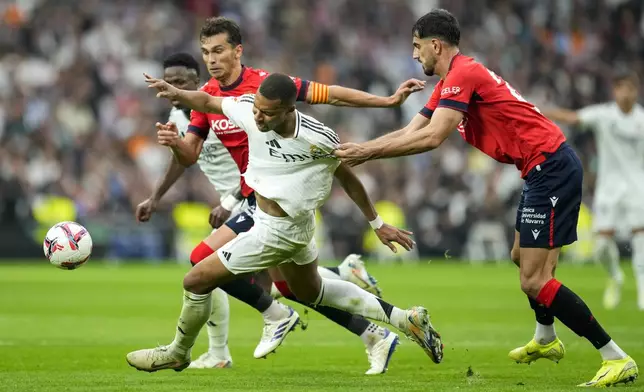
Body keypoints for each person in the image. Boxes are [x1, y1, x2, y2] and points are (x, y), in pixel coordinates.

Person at [333, 9, 638, 387]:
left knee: (533, 280)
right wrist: (363, 149)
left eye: (416, 47)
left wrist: (368, 154)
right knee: (519, 258)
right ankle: (546, 337)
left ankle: (614, 355)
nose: (414, 55)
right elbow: (412, 129)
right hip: (539, 169)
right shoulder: (450, 82)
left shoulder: (463, 74)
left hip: (551, 167)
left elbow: (431, 139)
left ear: (435, 45)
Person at [128, 15, 427, 374]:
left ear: (238, 51)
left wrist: (386, 102)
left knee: (202, 266)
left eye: (218, 50)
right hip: (253, 198)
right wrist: (176, 145)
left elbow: (330, 94)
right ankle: (369, 322)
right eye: (206, 52)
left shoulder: (269, 87)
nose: (211, 59)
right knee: (295, 289)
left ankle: (249, 328)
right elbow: (190, 153)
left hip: (265, 201)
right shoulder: (208, 96)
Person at [544, 72, 644, 311]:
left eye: (628, 88)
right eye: (620, 88)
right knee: (601, 245)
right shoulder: (604, 115)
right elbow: (572, 117)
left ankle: (642, 292)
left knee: (640, 238)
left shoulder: (642, 119)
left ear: (635, 91)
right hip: (608, 188)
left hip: (637, 186)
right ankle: (615, 276)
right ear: (615, 91)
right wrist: (539, 110)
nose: (624, 93)